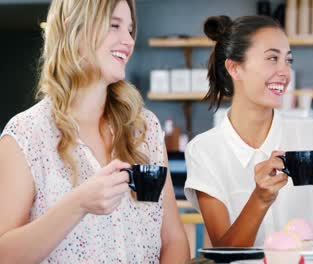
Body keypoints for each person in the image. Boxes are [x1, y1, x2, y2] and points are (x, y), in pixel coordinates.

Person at [0, 0, 189, 262]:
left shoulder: (145, 129)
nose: (129, 41)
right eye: (114, 26)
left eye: (130, 30)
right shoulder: (26, 134)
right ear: (73, 30)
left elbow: (173, 239)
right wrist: (78, 204)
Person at [184, 15, 313, 247]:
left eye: (288, 60)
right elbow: (225, 255)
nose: (285, 72)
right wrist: (260, 199)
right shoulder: (204, 151)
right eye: (272, 59)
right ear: (235, 68)